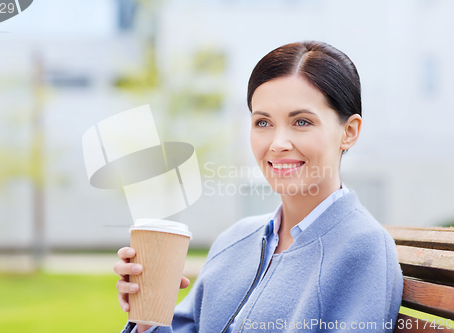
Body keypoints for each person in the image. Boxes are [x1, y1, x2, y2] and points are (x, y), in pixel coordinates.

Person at [114, 41, 403, 333]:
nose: (277, 144)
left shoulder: (363, 248)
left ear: (349, 132)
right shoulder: (235, 240)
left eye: (301, 121)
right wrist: (148, 316)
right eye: (263, 123)